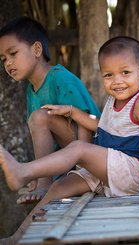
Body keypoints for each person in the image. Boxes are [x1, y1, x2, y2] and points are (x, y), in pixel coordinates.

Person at [0, 36, 139, 205]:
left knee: (79, 148)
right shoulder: (113, 100)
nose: (117, 81)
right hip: (107, 168)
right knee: (58, 187)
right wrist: (71, 111)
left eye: (125, 72)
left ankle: (22, 172)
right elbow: (101, 126)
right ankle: (19, 236)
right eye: (108, 75)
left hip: (129, 171)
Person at [0, 16, 101, 204]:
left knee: (40, 117)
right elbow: (48, 140)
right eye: (3, 59)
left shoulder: (60, 78)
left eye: (13, 53)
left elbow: (87, 121)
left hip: (98, 149)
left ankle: (44, 183)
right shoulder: (31, 90)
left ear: (37, 49)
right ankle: (42, 179)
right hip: (73, 155)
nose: (8, 63)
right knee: (38, 119)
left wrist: (81, 171)